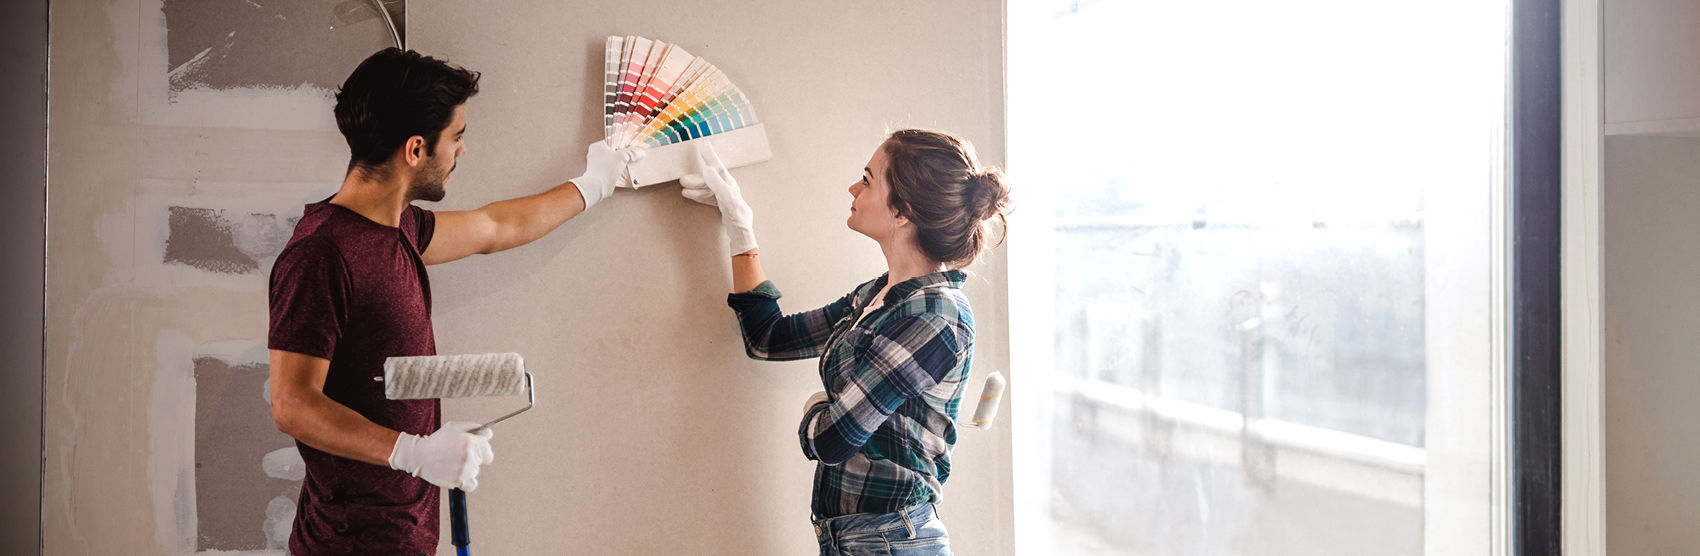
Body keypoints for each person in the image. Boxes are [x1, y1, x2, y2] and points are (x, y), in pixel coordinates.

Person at [266, 48, 642, 556]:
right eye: (457, 136)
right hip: (351, 542)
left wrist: (594, 184)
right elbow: (293, 404)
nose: (462, 151)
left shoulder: (397, 227)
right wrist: (412, 452)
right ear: (416, 149)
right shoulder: (322, 254)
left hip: (398, 534)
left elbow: (495, 227)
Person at [682, 129, 1012, 556]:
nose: (854, 188)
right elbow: (769, 338)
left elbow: (833, 439)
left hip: (893, 541)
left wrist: (814, 409)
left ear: (902, 212)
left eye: (868, 179)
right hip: (852, 539)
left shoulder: (937, 316)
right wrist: (740, 229)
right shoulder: (875, 296)